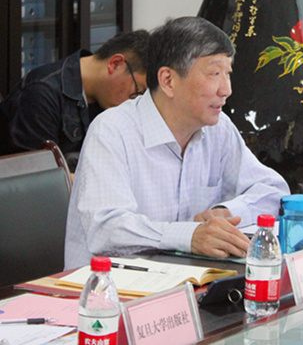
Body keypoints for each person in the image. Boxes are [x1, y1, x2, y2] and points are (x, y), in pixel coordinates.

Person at [64, 16, 290, 269]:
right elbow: (106, 229)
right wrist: (188, 236)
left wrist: (227, 212)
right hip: (110, 287)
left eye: (228, 74)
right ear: (168, 81)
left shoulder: (218, 129)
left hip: (188, 282)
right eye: (215, 74)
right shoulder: (111, 131)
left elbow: (273, 191)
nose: (226, 90)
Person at [0, 30, 149, 171]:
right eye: (138, 91)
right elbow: (40, 177)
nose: (134, 102)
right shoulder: (42, 92)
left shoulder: (106, 100)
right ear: (115, 64)